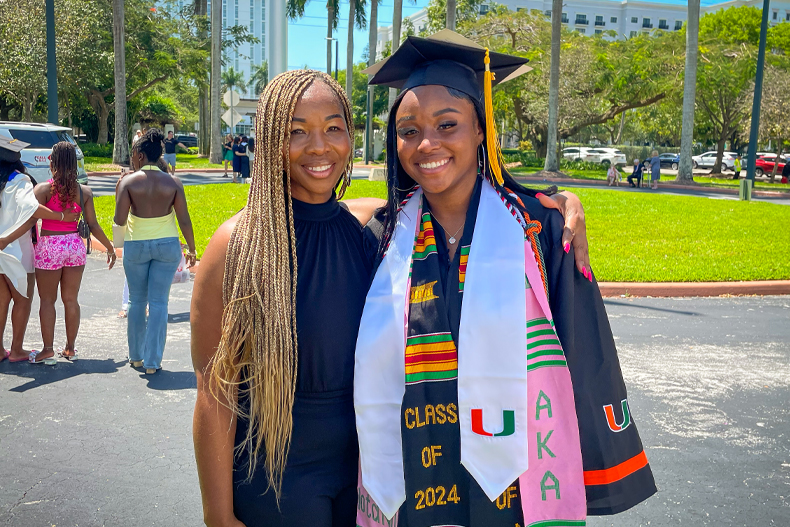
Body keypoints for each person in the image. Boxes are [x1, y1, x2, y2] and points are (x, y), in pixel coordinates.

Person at [190, 69, 593, 527]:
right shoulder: (238, 243)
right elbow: (214, 391)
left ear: (351, 135)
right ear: (267, 140)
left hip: (373, 478)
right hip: (280, 479)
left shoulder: (372, 231)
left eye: (333, 128)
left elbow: (435, 197)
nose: (319, 146)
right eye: (296, 131)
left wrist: (557, 202)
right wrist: (218, 516)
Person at [353, 32, 656, 527]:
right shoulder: (381, 238)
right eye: (408, 131)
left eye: (447, 124)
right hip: (411, 472)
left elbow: (581, 349)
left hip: (518, 477)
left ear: (480, 132)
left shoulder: (538, 229)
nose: (426, 143)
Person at [114, 128, 196, 375]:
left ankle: (136, 357)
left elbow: (119, 220)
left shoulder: (128, 182)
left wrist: (118, 246)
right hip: (167, 246)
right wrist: (192, 248)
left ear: (139, 155)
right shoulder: (173, 182)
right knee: (159, 302)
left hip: (136, 246)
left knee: (136, 301)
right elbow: (184, 220)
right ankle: (152, 362)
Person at [32, 142, 117, 364]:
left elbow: (30, 218)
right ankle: (70, 349)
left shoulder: (43, 190)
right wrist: (110, 248)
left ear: (52, 162)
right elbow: (94, 225)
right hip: (74, 246)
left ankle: (48, 350)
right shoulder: (84, 192)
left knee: (47, 301)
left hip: (49, 246)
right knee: (71, 300)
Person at [0, 137, 81, 363]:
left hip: (3, 249)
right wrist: (61, 216)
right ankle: (17, 350)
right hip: (18, 249)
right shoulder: (21, 180)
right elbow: (32, 209)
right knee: (23, 300)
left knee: (2, 300)